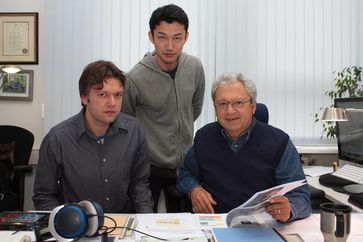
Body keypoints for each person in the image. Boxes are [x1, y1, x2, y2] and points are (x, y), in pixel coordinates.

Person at [177, 73, 311, 222]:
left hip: (263, 224)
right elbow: (185, 173)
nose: (230, 111)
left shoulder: (279, 142)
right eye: (222, 104)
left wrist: (289, 209)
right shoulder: (204, 136)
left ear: (253, 106)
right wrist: (193, 189)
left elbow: (300, 195)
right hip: (216, 222)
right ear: (215, 109)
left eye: (238, 103)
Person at [33, 60, 153, 213]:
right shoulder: (57, 139)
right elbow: (44, 196)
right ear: (84, 98)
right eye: (102, 95)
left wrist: (146, 223)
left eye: (118, 95)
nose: (112, 103)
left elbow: (140, 186)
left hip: (124, 226)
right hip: (79, 228)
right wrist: (66, 225)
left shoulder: (134, 130)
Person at [122, 4, 205, 212]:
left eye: (177, 37)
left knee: (183, 227)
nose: (170, 46)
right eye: (162, 37)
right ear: (151, 36)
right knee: (144, 224)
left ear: (186, 36)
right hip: (148, 168)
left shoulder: (195, 67)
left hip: (185, 166)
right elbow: (127, 120)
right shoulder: (135, 78)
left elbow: (194, 109)